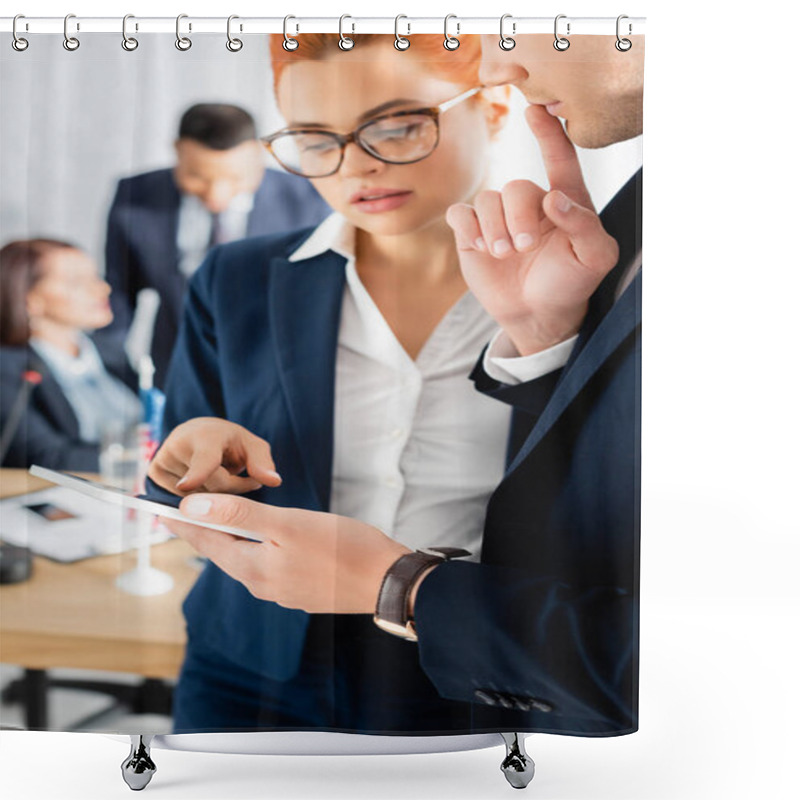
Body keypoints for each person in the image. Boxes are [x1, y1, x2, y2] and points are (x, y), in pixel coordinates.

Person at [155, 32, 644, 736]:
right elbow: (171, 483)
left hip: (486, 665)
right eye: (316, 139)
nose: (357, 166)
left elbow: (599, 511)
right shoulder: (237, 279)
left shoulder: (584, 278)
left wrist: (548, 340)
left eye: (398, 125)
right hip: (253, 661)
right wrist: (189, 452)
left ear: (495, 108)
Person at [98, 103, 331, 388]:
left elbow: (322, 299)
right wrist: (114, 380)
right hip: (175, 373)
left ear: (258, 155)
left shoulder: (310, 198)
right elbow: (117, 298)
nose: (216, 195)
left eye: (234, 178)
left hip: (279, 377)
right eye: (198, 177)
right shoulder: (135, 197)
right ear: (178, 151)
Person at [0, 239, 140, 470]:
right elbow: (45, 457)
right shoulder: (8, 368)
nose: (103, 289)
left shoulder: (109, 351)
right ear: (30, 299)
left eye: (96, 277)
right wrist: (154, 461)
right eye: (77, 282)